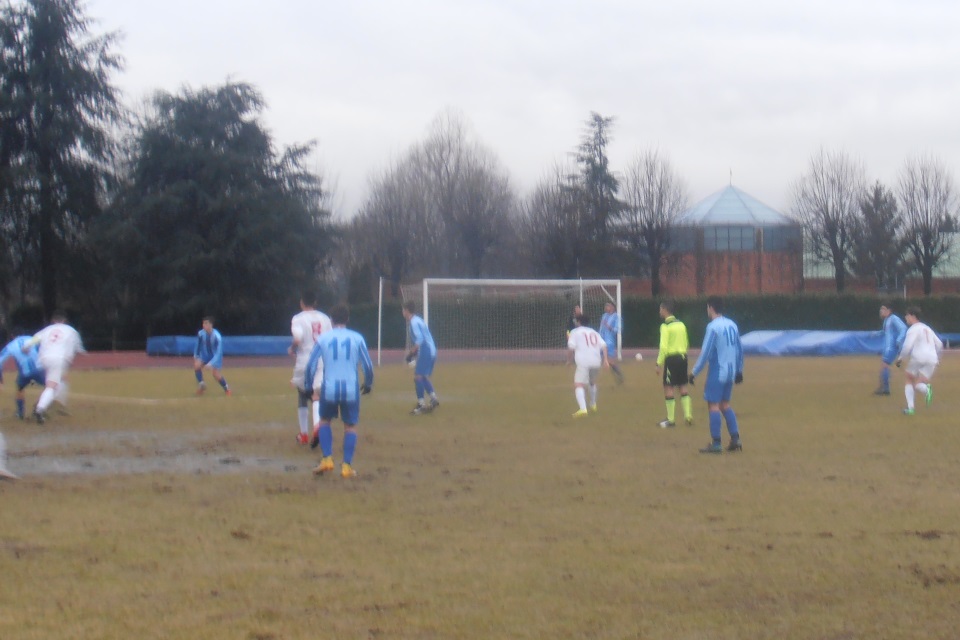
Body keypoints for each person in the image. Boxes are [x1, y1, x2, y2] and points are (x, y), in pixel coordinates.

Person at [303, 304, 373, 479]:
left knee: (325, 421)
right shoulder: (357, 338)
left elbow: (311, 365)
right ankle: (347, 466)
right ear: (347, 319)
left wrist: (308, 386)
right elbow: (368, 366)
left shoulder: (324, 339)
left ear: (331, 321)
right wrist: (368, 383)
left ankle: (327, 459)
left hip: (329, 387)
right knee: (350, 426)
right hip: (351, 388)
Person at [690, 296, 743, 454]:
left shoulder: (713, 327)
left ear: (711, 308)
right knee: (724, 404)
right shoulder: (732, 324)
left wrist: (694, 373)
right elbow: (739, 349)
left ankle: (716, 443)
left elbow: (706, 353)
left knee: (713, 405)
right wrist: (739, 370)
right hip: (732, 371)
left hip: (718, 371)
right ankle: (735, 438)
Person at [22, 312, 86, 424]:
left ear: (53, 321)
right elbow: (79, 349)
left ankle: (55, 404)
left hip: (44, 359)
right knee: (52, 386)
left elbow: (32, 341)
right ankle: (40, 409)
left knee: (59, 381)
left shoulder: (47, 329)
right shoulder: (71, 331)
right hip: (59, 359)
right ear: (64, 321)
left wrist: (26, 348)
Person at [289, 292, 332, 445]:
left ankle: (304, 434)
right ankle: (316, 426)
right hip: (321, 358)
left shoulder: (298, 318)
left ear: (302, 303)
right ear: (315, 302)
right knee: (316, 394)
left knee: (302, 394)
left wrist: (292, 348)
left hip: (305, 358)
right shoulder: (325, 318)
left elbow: (298, 338)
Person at [896, 306, 942, 416]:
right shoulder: (927, 328)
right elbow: (939, 344)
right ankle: (926, 389)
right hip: (932, 359)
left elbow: (907, 346)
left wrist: (900, 358)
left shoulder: (913, 329)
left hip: (918, 357)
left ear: (912, 316)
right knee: (918, 384)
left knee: (909, 379)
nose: (905, 318)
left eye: (907, 315)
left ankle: (911, 409)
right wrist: (938, 358)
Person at [655, 300, 693, 428]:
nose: (659, 311)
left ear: (665, 310)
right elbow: (687, 343)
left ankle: (670, 419)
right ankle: (688, 415)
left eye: (661, 309)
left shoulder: (665, 326)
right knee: (683, 386)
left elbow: (663, 347)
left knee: (668, 387)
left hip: (672, 359)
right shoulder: (681, 324)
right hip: (683, 357)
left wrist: (658, 363)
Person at [567, 314, 609, 418]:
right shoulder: (594, 332)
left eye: (576, 321)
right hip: (596, 360)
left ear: (578, 322)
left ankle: (583, 409)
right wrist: (606, 360)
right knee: (592, 382)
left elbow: (571, 348)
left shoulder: (575, 332)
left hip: (583, 361)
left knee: (579, 384)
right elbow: (604, 345)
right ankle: (593, 403)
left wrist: (569, 361)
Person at [403, 302, 440, 415]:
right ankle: (433, 399)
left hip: (426, 350)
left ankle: (421, 405)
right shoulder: (418, 320)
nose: (402, 312)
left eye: (403, 310)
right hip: (432, 349)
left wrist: (411, 353)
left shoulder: (414, 323)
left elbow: (420, 339)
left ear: (406, 310)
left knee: (418, 377)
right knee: (423, 377)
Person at [0, 329, 46, 420]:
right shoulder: (32, 339)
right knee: (49, 388)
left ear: (12, 335)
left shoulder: (11, 345)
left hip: (25, 373)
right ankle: (38, 406)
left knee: (20, 389)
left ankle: (20, 413)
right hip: (39, 370)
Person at [194, 316, 231, 396]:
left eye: (206, 323)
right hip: (205, 355)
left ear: (211, 325)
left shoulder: (217, 336)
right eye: (203, 323)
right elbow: (198, 345)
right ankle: (202, 385)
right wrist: (196, 356)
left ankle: (227, 388)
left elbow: (218, 352)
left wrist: (211, 363)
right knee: (197, 365)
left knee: (215, 374)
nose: (204, 325)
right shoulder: (201, 333)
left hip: (215, 357)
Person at [875, 303, 907, 396]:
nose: (881, 311)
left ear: (889, 310)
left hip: (892, 347)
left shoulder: (894, 318)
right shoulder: (887, 320)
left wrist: (899, 340)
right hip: (888, 347)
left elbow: (903, 328)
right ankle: (884, 388)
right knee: (884, 366)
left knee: (884, 365)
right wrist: (876, 333)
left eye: (883, 309)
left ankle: (885, 389)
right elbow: (885, 332)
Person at [599, 302, 624, 384]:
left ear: (613, 307)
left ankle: (619, 376)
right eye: (605, 306)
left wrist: (609, 326)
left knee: (609, 361)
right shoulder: (604, 316)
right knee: (602, 359)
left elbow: (618, 330)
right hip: (601, 341)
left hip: (609, 342)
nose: (606, 307)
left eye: (608, 306)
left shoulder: (617, 317)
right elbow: (601, 328)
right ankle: (618, 377)